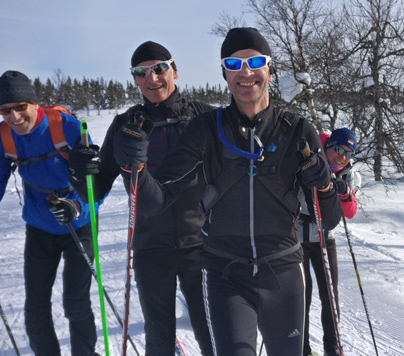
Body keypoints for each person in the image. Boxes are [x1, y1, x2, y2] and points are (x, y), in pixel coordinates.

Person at [112, 27, 343, 356]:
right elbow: (155, 202)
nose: (245, 72)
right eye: (234, 65)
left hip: (284, 272)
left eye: (255, 62)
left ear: (270, 71)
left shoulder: (297, 130)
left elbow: (328, 219)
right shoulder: (206, 129)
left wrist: (324, 184)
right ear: (224, 74)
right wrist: (135, 167)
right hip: (226, 274)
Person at [67, 40, 214, 355]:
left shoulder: (203, 116)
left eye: (159, 68)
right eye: (141, 72)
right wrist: (82, 172)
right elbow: (98, 186)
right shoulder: (125, 124)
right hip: (150, 248)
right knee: (159, 339)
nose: (153, 78)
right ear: (134, 79)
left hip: (202, 245)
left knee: (211, 332)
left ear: (174, 70)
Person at [0, 70, 100, 355]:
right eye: (5, 110)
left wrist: (77, 206)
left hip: (79, 223)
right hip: (39, 227)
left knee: (76, 302)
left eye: (20, 107)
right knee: (36, 305)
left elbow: (94, 185)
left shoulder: (67, 127)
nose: (14, 117)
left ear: (34, 103)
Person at [300, 128, 359, 356]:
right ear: (329, 146)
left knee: (330, 296)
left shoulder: (348, 174)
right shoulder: (311, 159)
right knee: (302, 294)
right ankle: (302, 349)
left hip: (326, 239)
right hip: (299, 237)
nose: (342, 157)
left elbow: (351, 212)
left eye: (348, 153)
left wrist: (343, 192)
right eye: (338, 149)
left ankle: (332, 348)